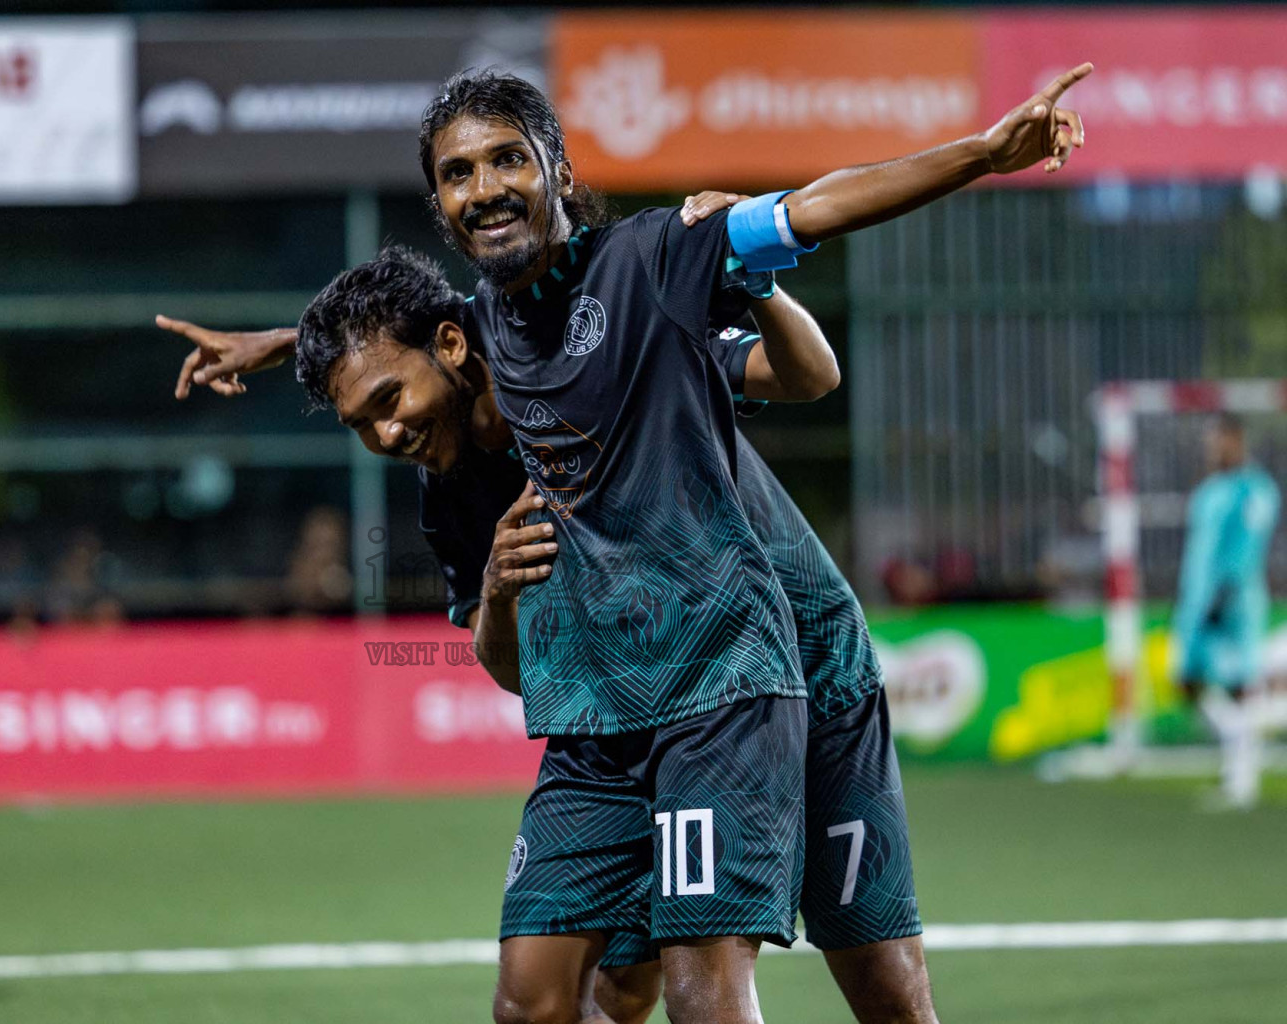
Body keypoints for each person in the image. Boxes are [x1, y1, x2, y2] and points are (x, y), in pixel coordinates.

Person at [402, 65, 1089, 1022]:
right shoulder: (485, 330)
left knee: (874, 992)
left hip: (781, 666)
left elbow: (815, 222)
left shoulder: (660, 259)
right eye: (458, 174)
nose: (483, 188)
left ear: (557, 166)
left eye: (507, 159)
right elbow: (379, 339)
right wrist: (278, 348)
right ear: (438, 202)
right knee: (614, 987)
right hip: (656, 693)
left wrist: (982, 154)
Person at [161, 236, 928, 1023]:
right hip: (630, 698)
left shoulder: (581, 347)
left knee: (881, 989)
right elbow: (515, 668)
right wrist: (496, 590)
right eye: (362, 420)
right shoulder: (449, 487)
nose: (386, 435)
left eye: (388, 402)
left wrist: (760, 270)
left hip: (796, 659)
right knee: (601, 992)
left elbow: (792, 369)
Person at [1173, 414, 1280, 810]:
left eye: (1222, 441)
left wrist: (1225, 592)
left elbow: (1249, 544)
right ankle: (1239, 745)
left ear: (1238, 441)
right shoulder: (1208, 490)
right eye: (1211, 441)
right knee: (1187, 683)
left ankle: (1242, 778)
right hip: (1196, 602)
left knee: (1238, 686)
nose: (1214, 448)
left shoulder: (1256, 489)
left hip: (1234, 603)